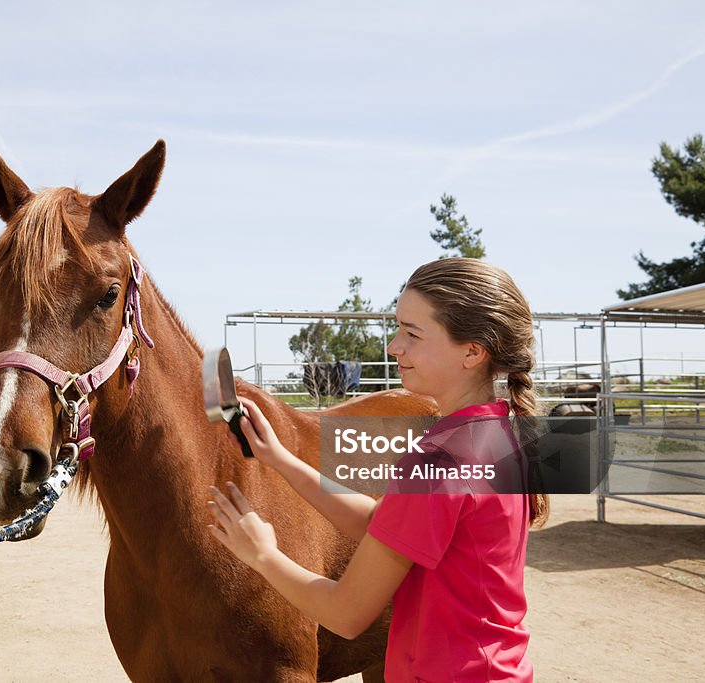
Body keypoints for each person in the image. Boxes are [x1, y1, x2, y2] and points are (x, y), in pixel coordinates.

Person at [206, 257, 545, 682]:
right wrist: (280, 458)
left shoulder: (442, 459)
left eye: (412, 333)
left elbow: (345, 614)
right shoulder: (493, 433)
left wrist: (263, 555)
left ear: (473, 351)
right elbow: (382, 525)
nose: (393, 346)